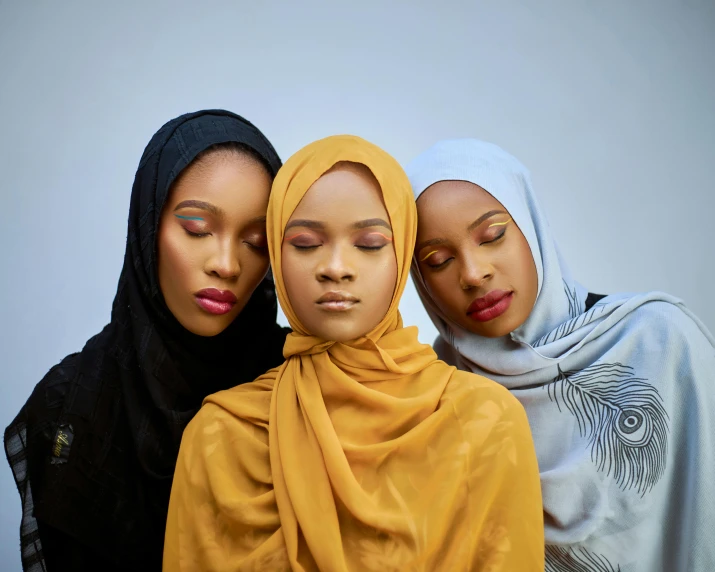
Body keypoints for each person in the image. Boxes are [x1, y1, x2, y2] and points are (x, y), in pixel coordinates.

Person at [164, 135, 544, 571]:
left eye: (369, 244)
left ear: (402, 257)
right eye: (306, 243)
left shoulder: (485, 421)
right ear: (275, 256)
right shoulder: (221, 435)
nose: (336, 267)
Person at [406, 138, 715, 571]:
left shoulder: (660, 345)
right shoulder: (431, 402)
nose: (474, 274)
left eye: (493, 235)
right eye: (438, 260)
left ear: (531, 225)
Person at [4, 110, 290, 571]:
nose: (227, 264)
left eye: (256, 242)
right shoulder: (68, 407)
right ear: (148, 226)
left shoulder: (303, 384)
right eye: (197, 229)